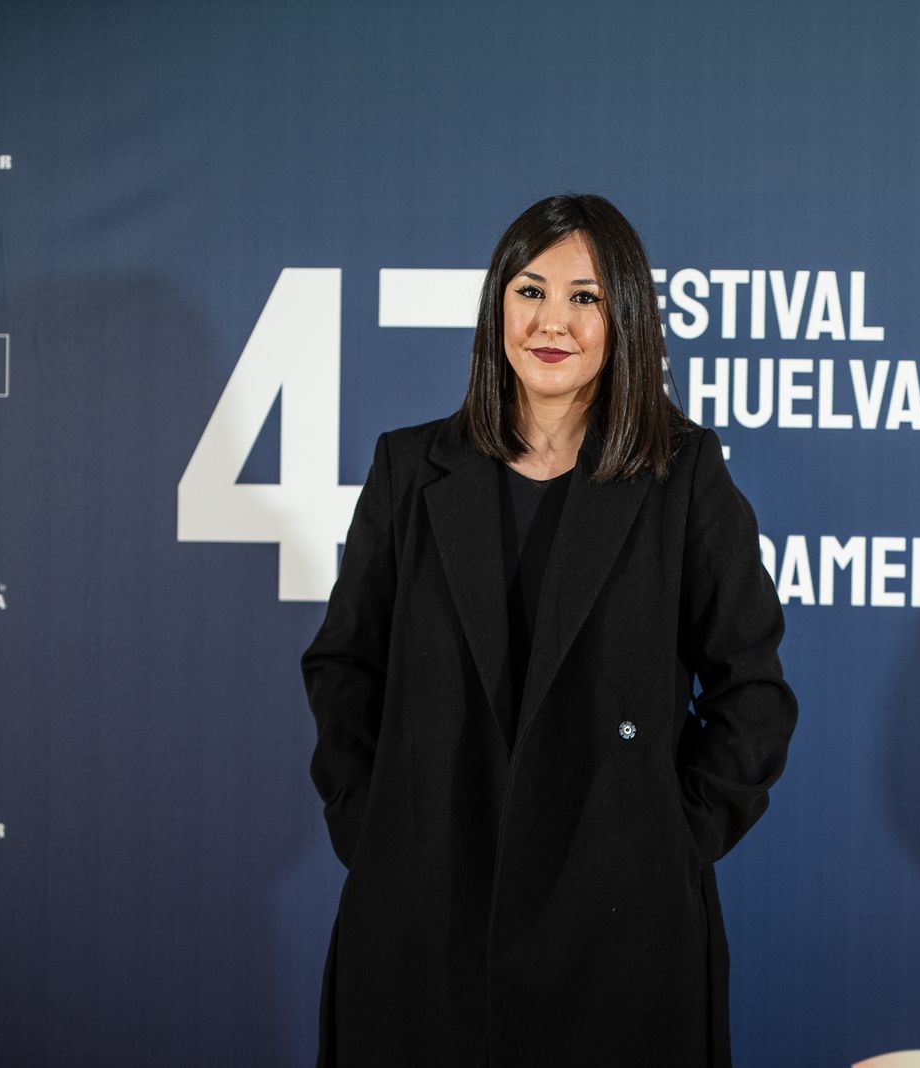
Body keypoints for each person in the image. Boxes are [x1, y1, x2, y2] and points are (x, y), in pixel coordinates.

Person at [302, 193, 797, 1067]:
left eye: (585, 297)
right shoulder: (409, 469)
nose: (551, 322)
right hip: (424, 918)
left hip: (617, 935)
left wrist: (664, 846)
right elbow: (345, 667)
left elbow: (752, 692)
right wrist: (375, 830)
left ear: (627, 321)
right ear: (498, 304)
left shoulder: (684, 479)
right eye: (530, 291)